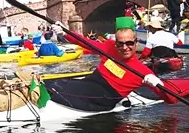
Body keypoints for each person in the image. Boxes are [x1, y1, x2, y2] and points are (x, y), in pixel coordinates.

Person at [46, 17, 178, 112]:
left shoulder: (143, 72)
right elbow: (85, 42)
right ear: (116, 43)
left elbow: (171, 100)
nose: (125, 47)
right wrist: (64, 33)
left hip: (103, 98)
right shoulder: (109, 48)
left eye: (129, 43)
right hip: (91, 82)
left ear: (136, 42)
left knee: (54, 88)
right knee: (54, 82)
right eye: (120, 44)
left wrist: (158, 84)